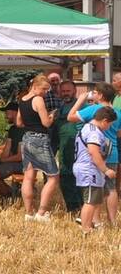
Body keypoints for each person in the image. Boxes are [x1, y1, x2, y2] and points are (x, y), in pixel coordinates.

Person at [68, 83, 119, 226]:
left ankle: (95, 221)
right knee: (108, 190)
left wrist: (80, 100)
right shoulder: (117, 113)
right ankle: (108, 222)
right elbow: (118, 134)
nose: (93, 94)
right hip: (107, 156)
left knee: (95, 193)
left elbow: (70, 117)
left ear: (101, 95)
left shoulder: (92, 111)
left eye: (95, 92)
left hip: (91, 161)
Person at [17, 74, 61, 222]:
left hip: (26, 138)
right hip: (40, 139)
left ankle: (29, 213)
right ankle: (41, 213)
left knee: (28, 177)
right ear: (34, 86)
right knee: (53, 177)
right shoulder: (38, 99)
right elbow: (46, 123)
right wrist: (52, 116)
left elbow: (19, 123)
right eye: (43, 89)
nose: (45, 92)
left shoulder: (21, 100)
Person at [73, 106, 118, 234]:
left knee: (93, 199)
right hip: (89, 169)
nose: (109, 127)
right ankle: (85, 229)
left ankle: (88, 224)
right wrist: (106, 170)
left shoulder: (86, 127)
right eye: (110, 124)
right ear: (104, 121)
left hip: (85, 168)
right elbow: (93, 152)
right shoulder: (94, 133)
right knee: (90, 201)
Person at [56, 80, 82, 213]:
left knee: (76, 177)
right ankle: (71, 208)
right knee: (65, 177)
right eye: (63, 91)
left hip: (77, 145)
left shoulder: (81, 106)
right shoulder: (59, 106)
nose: (66, 94)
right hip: (63, 145)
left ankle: (79, 207)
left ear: (74, 91)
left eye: (68, 91)